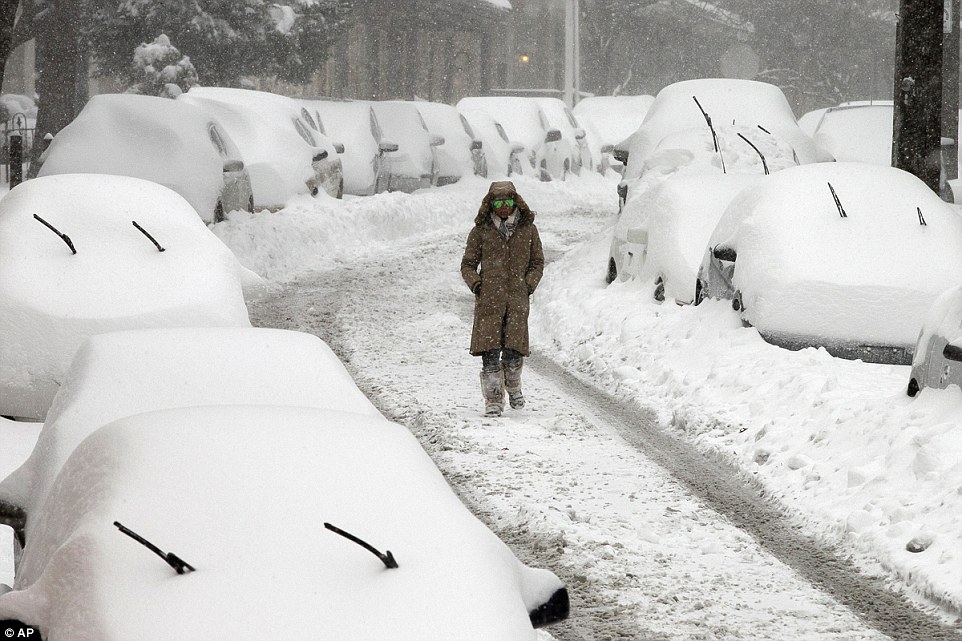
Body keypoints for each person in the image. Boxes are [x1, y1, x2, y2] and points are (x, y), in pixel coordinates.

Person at [460, 180, 544, 417]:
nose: (504, 207)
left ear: (516, 202)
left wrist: (528, 284)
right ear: (491, 204)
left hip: (517, 301)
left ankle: (514, 386)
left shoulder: (528, 230)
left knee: (513, 352)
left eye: (508, 202)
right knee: (489, 354)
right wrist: (476, 284)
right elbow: (467, 265)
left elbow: (537, 262)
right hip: (489, 302)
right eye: (499, 202)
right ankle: (494, 400)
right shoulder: (481, 232)